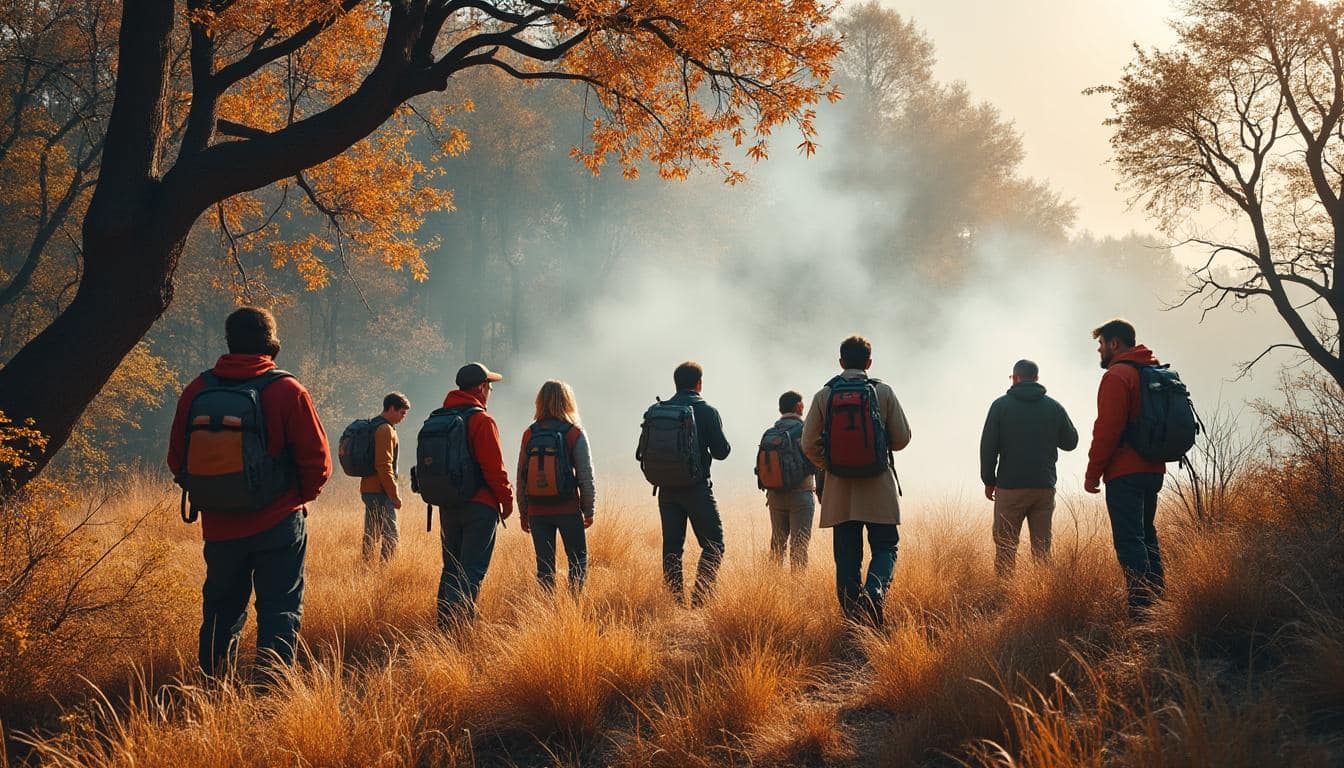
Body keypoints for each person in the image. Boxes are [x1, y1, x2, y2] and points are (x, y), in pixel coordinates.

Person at [167, 307, 331, 678]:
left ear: (229, 343)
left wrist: (215, 495)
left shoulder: (197, 389)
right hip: (278, 523)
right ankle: (270, 697)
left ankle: (213, 688)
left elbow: (177, 460)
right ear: (272, 345)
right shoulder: (288, 390)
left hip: (219, 526)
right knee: (279, 610)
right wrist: (295, 498)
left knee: (221, 608)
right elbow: (318, 462)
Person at [802, 335, 911, 627]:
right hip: (879, 487)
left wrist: (833, 465)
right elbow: (901, 439)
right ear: (869, 363)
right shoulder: (882, 392)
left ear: (841, 362)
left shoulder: (824, 395)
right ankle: (875, 591)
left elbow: (808, 443)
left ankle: (853, 623)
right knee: (886, 547)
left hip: (841, 492)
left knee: (848, 557)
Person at [1084, 319, 1167, 619]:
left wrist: (1093, 473)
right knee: (1147, 535)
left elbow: (1107, 429)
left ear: (1114, 344)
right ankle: (1159, 604)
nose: (1099, 349)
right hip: (1154, 469)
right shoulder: (1150, 370)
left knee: (1129, 540)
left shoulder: (1117, 376)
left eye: (1101, 344)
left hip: (1125, 474)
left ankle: (1141, 612)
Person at [979, 359, 1079, 576]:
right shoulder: (1053, 407)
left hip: (1009, 488)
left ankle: (1004, 594)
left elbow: (988, 447)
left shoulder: (1000, 406)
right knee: (1042, 548)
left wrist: (989, 481)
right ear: (1036, 378)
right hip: (1043, 487)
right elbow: (1071, 442)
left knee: (1006, 546)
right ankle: (1041, 595)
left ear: (1015, 378)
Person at [435, 362, 514, 626]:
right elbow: (494, 469)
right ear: (481, 388)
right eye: (489, 386)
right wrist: (507, 501)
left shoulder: (439, 418)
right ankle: (460, 629)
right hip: (480, 507)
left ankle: (444, 625)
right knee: (472, 570)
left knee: (451, 568)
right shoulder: (482, 420)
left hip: (447, 505)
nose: (490, 390)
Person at [657, 361, 731, 606]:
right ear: (699, 384)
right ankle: (700, 599)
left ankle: (675, 601)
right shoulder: (707, 411)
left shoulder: (661, 410)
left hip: (666, 488)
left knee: (672, 549)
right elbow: (721, 452)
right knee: (714, 544)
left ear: (676, 383)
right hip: (696, 488)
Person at [517, 380, 597, 592]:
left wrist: (524, 512)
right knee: (578, 563)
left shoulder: (530, 433)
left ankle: (547, 610)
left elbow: (521, 477)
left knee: (544, 569)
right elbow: (585, 476)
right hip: (568, 509)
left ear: (540, 402)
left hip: (537, 511)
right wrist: (589, 510)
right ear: (567, 401)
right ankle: (573, 608)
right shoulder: (574, 433)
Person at [759, 390, 821, 570]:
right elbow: (817, 460)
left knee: (777, 545)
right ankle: (796, 592)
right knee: (799, 547)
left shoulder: (769, 432)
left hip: (774, 495)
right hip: (801, 496)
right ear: (799, 407)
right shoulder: (806, 431)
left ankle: (774, 588)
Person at [361, 392, 410, 562]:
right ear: (391, 408)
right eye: (402, 412)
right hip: (381, 491)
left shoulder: (374, 425)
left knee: (371, 534)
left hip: (369, 489)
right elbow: (384, 465)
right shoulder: (385, 429)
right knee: (391, 536)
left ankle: (365, 570)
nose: (403, 417)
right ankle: (385, 572)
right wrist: (394, 495)